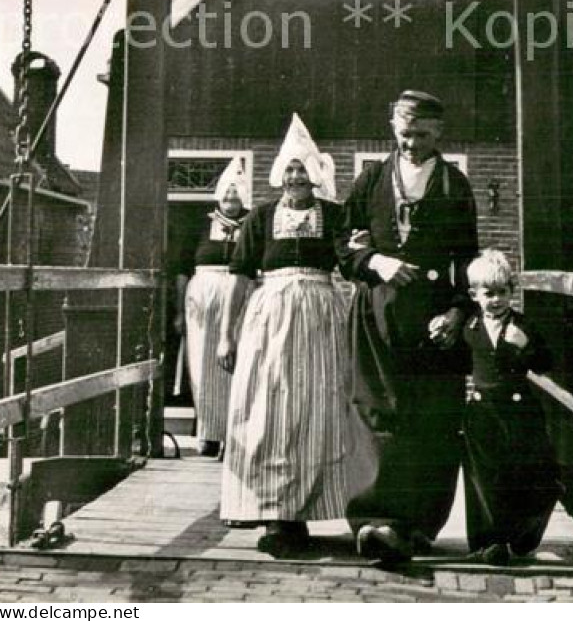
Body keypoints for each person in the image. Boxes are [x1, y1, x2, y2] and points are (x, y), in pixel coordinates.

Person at [337, 89, 479, 564]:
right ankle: (376, 522)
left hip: (435, 319)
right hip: (377, 314)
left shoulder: (455, 186)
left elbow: (467, 261)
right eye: (404, 134)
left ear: (439, 133)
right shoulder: (371, 179)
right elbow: (343, 246)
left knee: (434, 421)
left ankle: (419, 526)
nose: (411, 143)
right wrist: (376, 261)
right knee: (377, 412)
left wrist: (459, 312)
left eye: (421, 135)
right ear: (391, 128)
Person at [217, 114, 348, 557]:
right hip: (269, 320)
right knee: (268, 409)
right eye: (289, 169)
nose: (296, 176)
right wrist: (226, 336)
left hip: (320, 319)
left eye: (303, 169)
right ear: (281, 173)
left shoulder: (334, 216)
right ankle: (273, 513)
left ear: (316, 173)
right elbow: (239, 279)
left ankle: (305, 513)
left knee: (313, 410)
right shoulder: (260, 217)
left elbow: (355, 265)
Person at [462, 249, 561, 564]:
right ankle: (489, 542)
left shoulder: (523, 326)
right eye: (488, 294)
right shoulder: (470, 327)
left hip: (519, 412)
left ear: (511, 292)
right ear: (474, 295)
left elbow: (546, 362)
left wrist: (525, 346)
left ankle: (521, 538)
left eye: (502, 293)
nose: (496, 300)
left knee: (525, 476)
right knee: (483, 478)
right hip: (481, 411)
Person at [177, 157, 250, 458]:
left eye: (237, 193)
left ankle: (235, 433)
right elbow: (182, 269)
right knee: (203, 364)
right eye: (227, 193)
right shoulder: (198, 224)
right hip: (202, 301)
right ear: (219, 195)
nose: (231, 199)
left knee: (236, 361)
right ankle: (208, 433)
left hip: (239, 298)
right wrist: (179, 312)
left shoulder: (252, 225)